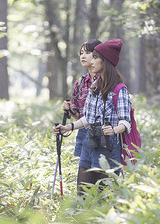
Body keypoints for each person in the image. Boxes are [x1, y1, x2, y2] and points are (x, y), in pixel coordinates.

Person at [54, 39, 131, 193]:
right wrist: (67, 128)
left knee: (105, 194)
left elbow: (126, 122)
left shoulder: (119, 89)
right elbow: (87, 119)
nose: (92, 61)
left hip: (109, 146)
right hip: (90, 143)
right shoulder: (94, 86)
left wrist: (114, 130)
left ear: (106, 61)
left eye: (95, 57)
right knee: (82, 193)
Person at [62, 39, 101, 192]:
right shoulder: (80, 83)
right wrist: (69, 110)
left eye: (88, 53)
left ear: (98, 55)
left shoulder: (105, 79)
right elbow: (79, 116)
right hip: (84, 132)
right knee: (85, 172)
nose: (83, 56)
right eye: (81, 53)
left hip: (101, 133)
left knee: (100, 172)